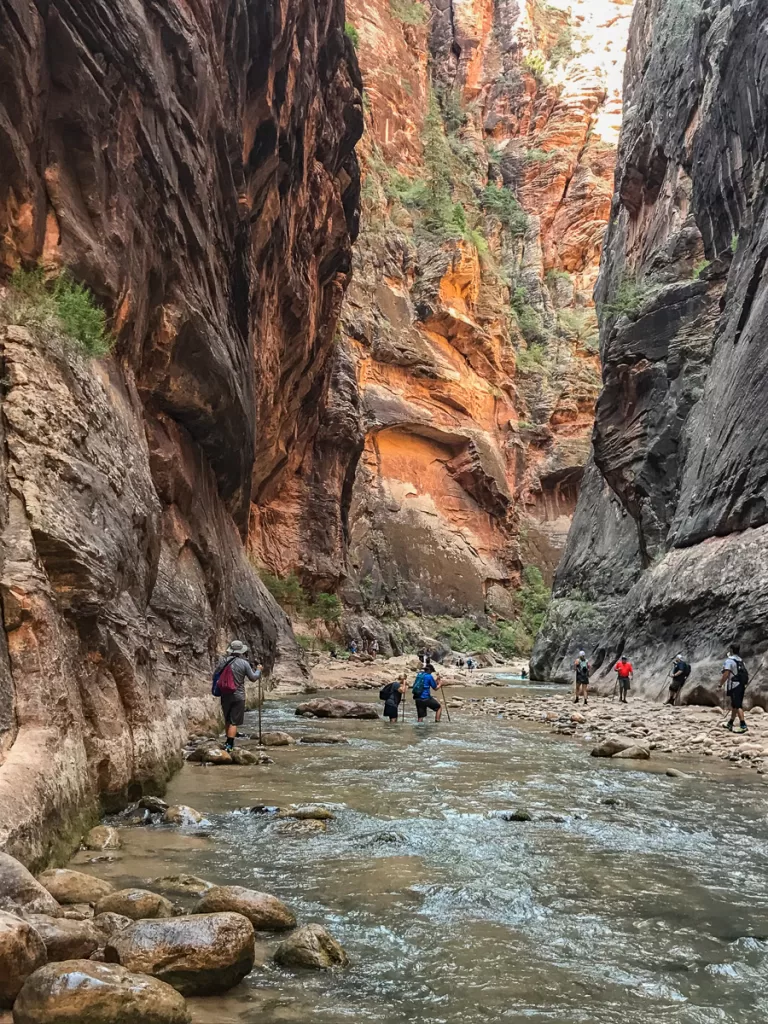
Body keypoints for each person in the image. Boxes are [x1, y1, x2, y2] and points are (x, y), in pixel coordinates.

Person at [214, 640, 262, 752]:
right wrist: (258, 671)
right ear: (241, 651)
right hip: (238, 695)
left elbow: (215, 674)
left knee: (227, 719)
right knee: (234, 721)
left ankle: (227, 742)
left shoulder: (223, 661)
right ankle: (230, 745)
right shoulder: (244, 663)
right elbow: (253, 678)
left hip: (225, 694)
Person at [719, 644, 749, 733]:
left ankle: (743, 725)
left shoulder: (729, 661)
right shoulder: (741, 661)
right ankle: (730, 723)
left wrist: (720, 684)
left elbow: (726, 673)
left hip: (734, 685)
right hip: (741, 685)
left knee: (738, 705)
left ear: (731, 650)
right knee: (734, 705)